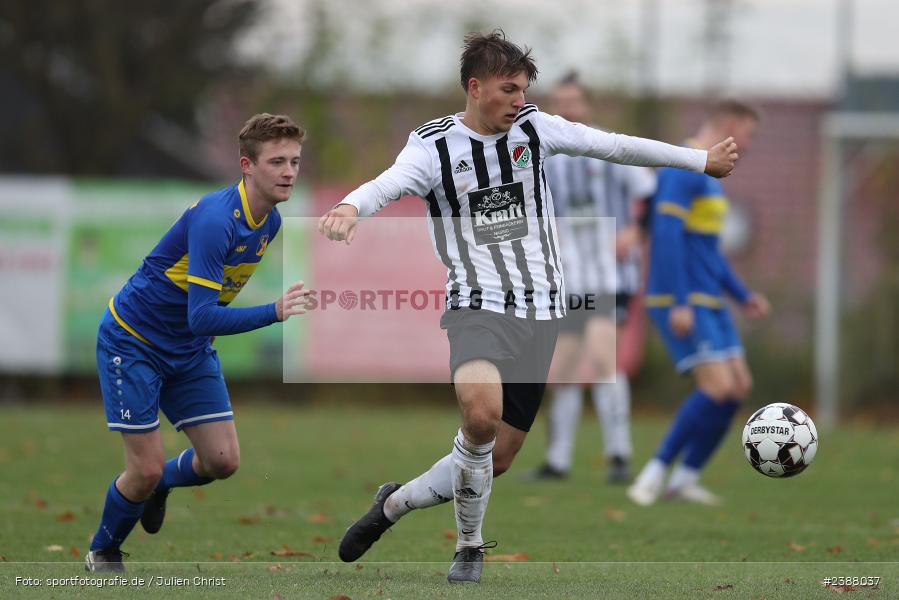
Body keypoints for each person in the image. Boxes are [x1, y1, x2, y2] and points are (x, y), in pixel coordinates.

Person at [319, 30, 738, 584]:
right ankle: (469, 546)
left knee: (497, 458)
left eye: (523, 88)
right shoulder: (433, 146)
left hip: (542, 310)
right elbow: (389, 183)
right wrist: (351, 206)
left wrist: (698, 160)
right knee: (481, 414)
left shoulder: (534, 129)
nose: (520, 99)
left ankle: (394, 504)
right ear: (474, 87)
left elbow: (611, 144)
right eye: (508, 88)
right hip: (476, 304)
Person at [84, 114, 311, 572]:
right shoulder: (215, 220)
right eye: (277, 162)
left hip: (188, 349)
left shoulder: (270, 222)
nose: (289, 172)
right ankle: (102, 550)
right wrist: (274, 311)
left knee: (223, 461)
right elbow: (203, 313)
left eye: (295, 161)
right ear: (247, 165)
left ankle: (162, 486)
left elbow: (200, 320)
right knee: (143, 469)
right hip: (134, 343)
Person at [627, 100, 769, 508]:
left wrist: (743, 296)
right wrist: (680, 302)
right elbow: (666, 237)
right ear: (729, 124)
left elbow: (710, 251)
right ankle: (653, 475)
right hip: (681, 297)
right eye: (749, 133)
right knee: (718, 387)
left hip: (710, 299)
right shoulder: (683, 166)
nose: (750, 144)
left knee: (738, 388)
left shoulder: (712, 175)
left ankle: (684, 480)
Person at [529, 72, 656, 484]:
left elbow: (650, 193)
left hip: (610, 274)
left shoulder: (606, 147)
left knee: (602, 359)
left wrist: (635, 231)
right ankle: (558, 460)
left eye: (574, 100)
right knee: (562, 369)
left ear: (586, 106)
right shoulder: (542, 154)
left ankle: (619, 455)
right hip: (569, 277)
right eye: (559, 101)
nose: (567, 108)